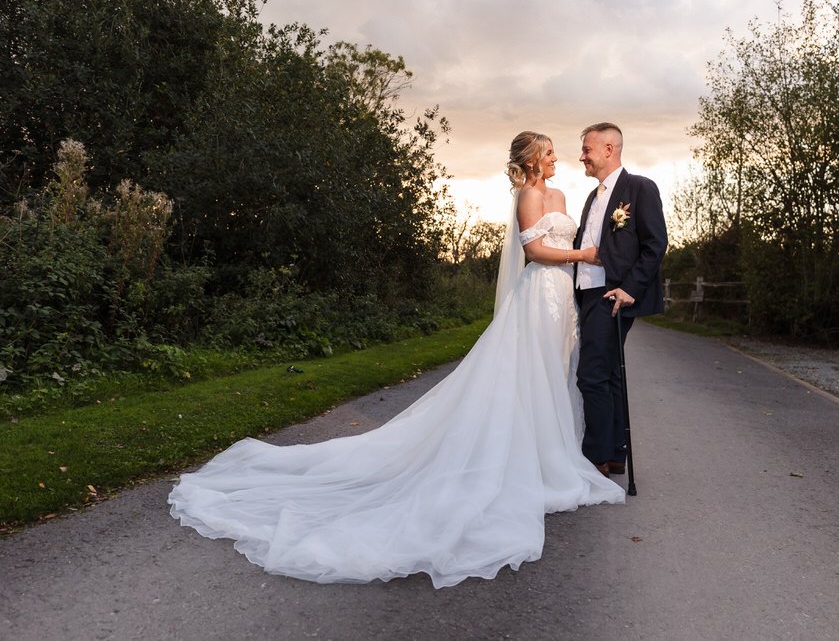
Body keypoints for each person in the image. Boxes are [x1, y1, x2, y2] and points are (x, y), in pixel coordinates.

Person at [168, 131, 625, 589]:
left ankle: (551, 454)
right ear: (530, 160)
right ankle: (528, 460)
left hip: (563, 297)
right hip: (538, 293)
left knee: (553, 374)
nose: (556, 158)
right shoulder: (528, 195)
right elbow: (533, 251)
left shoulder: (563, 195)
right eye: (548, 152)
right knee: (527, 376)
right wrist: (581, 254)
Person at [574, 123, 668, 476]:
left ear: (609, 149)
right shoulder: (593, 196)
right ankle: (614, 455)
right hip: (587, 293)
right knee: (609, 373)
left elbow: (655, 244)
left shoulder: (639, 188)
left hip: (612, 294)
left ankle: (593, 459)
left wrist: (630, 288)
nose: (582, 156)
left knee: (591, 374)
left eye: (587, 149)